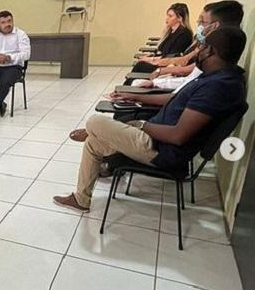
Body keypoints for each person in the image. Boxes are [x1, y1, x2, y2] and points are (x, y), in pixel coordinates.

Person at [54, 26, 248, 212]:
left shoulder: (219, 87)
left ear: (210, 51)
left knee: (94, 121)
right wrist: (136, 96)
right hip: (157, 139)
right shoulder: (217, 78)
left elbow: (178, 136)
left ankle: (97, 130)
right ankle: (81, 199)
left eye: (202, 46)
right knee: (93, 143)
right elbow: (175, 99)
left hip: (160, 150)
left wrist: (140, 125)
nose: (199, 49)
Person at [127, 0, 244, 91]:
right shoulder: (204, 45)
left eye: (202, 22)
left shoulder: (210, 54)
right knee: (138, 73)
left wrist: (159, 70)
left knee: (139, 70)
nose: (199, 25)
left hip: (175, 81)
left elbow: (185, 68)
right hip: (176, 84)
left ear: (214, 26)